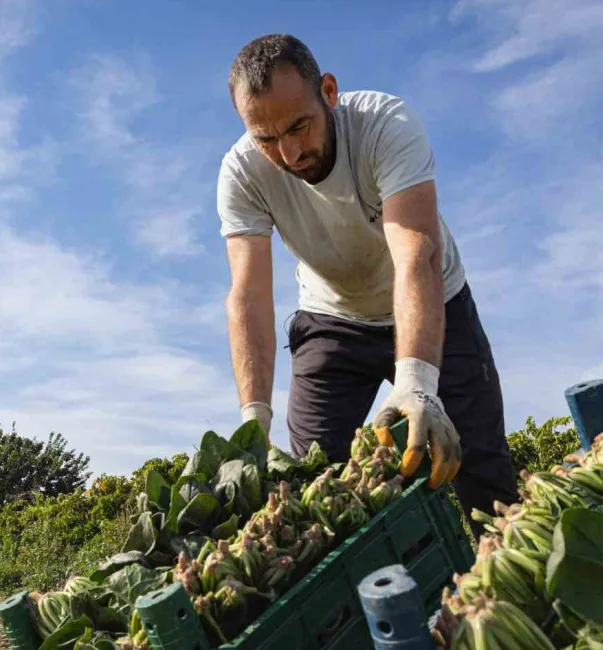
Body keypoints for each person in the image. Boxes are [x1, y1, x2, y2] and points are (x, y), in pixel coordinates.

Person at [216, 33, 519, 535]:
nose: (288, 153)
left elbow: (415, 251)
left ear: (329, 92)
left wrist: (418, 385)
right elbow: (248, 295)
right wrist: (254, 418)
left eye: (299, 127)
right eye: (266, 139)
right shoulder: (241, 174)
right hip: (333, 320)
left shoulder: (385, 125)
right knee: (315, 488)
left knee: (484, 475)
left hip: (431, 301)